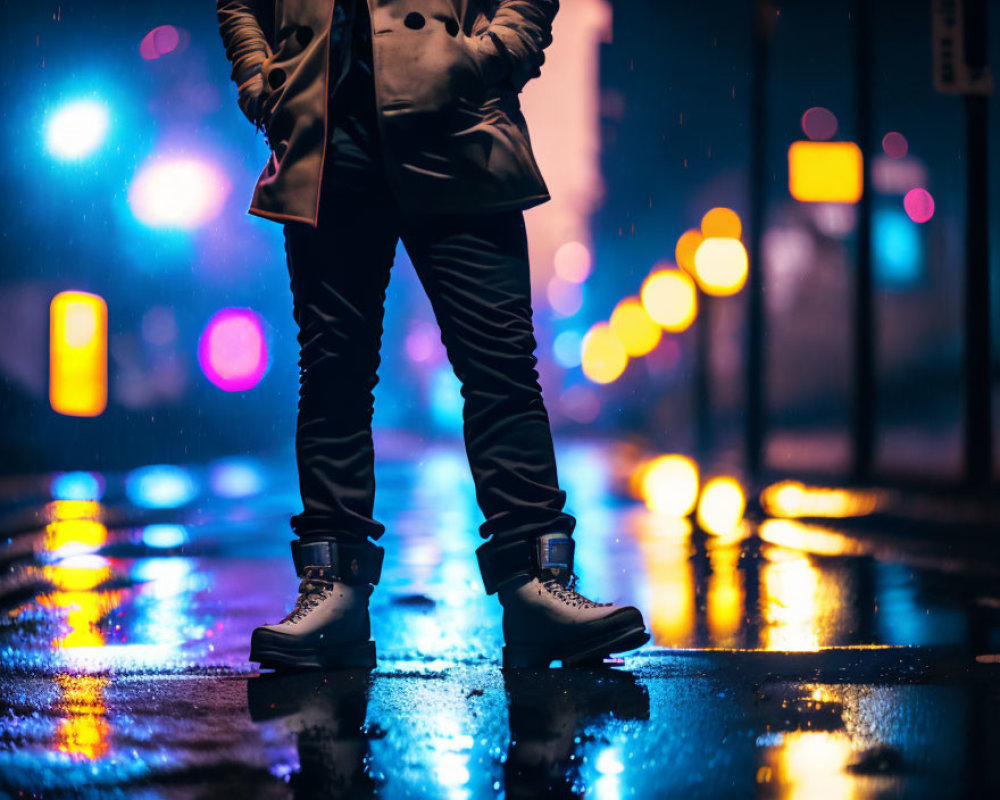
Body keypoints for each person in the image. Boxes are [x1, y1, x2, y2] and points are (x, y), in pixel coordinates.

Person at [216, 0, 649, 670]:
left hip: (455, 121)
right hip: (323, 124)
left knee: (499, 364)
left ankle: (538, 582)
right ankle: (332, 586)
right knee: (333, 372)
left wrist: (492, 56)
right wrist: (261, 78)